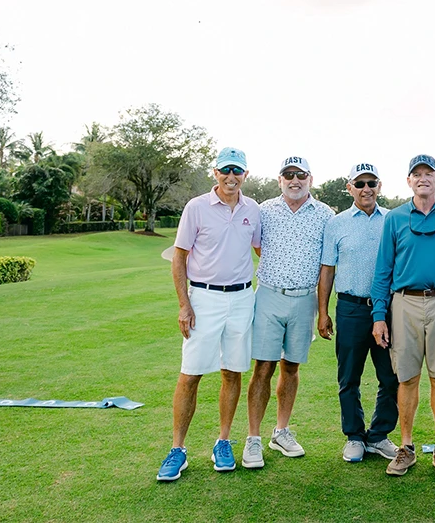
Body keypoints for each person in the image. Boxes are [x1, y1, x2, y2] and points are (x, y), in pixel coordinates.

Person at [157, 146, 261, 482]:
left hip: (242, 297)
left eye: (238, 171)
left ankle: (223, 441)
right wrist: (184, 304)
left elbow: (261, 249)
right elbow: (179, 257)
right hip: (203, 298)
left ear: (245, 174)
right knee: (190, 374)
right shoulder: (196, 207)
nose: (231, 177)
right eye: (225, 170)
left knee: (232, 372)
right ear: (215, 172)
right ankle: (177, 449)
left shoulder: (253, 209)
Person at [370, 154, 435, 479]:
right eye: (416, 174)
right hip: (404, 303)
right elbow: (383, 270)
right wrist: (379, 315)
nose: (422, 178)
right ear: (409, 182)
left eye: (428, 173)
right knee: (407, 378)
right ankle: (406, 447)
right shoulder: (395, 218)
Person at [241, 156, 333, 469]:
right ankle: (253, 438)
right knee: (263, 368)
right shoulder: (264, 210)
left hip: (304, 299)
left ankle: (281, 431)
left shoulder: (324, 214)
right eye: (288, 175)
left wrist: (322, 311)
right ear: (280, 180)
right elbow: (257, 247)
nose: (295, 180)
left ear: (310, 179)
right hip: (269, 295)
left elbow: (326, 265)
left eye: (300, 175)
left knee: (291, 367)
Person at [318, 163, 399, 464]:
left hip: (386, 310)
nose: (366, 188)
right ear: (349, 187)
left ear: (380, 187)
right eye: (360, 183)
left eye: (372, 183)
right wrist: (323, 312)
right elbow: (328, 270)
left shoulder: (393, 219)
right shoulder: (336, 223)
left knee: (391, 377)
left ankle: (378, 436)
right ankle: (354, 436)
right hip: (350, 308)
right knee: (349, 377)